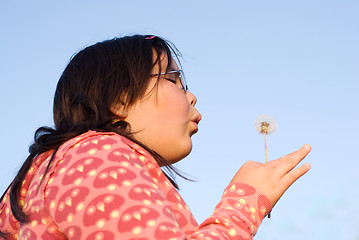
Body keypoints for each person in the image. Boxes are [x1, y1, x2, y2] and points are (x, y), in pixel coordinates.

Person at [0, 34, 311, 239]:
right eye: (174, 79)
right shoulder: (96, 155)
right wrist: (244, 204)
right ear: (119, 100)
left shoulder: (58, 169)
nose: (192, 97)